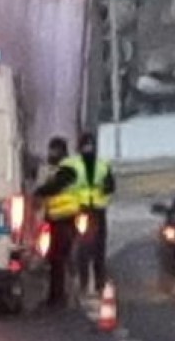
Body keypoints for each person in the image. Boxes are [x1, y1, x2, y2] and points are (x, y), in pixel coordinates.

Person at [33, 136, 80, 307]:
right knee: (55, 259)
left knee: (58, 259)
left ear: (62, 151)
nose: (51, 153)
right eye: (51, 150)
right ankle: (59, 295)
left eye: (55, 150)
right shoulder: (55, 168)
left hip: (65, 219)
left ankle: (59, 297)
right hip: (56, 219)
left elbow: (55, 186)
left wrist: (39, 192)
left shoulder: (68, 169)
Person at [73, 132, 117, 297]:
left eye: (89, 145)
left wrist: (105, 189)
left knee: (97, 249)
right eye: (86, 145)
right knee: (85, 248)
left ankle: (96, 283)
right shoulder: (77, 167)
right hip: (84, 211)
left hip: (94, 211)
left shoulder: (100, 166)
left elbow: (111, 185)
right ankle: (87, 283)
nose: (88, 149)